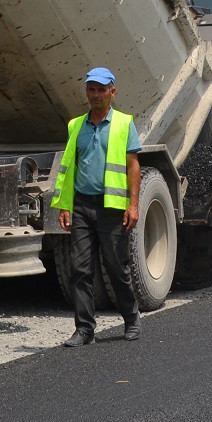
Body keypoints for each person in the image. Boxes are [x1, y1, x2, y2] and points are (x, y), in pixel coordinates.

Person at [50, 67, 142, 347]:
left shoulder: (124, 123)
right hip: (81, 205)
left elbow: (133, 165)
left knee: (116, 267)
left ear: (112, 92)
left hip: (111, 207)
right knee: (80, 270)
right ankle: (85, 329)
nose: (96, 94)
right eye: (91, 89)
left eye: (102, 90)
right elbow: (69, 168)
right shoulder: (75, 125)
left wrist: (133, 205)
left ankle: (131, 319)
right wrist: (65, 206)